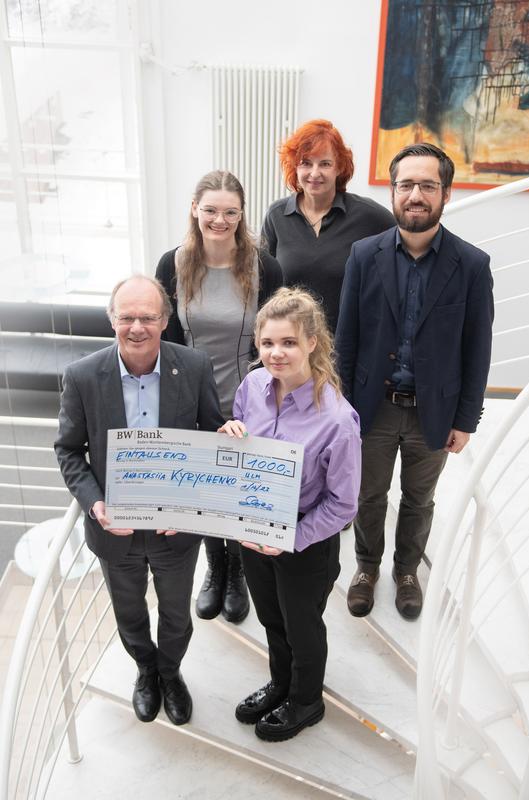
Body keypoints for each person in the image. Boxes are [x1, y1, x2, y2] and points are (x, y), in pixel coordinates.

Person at [335, 142, 494, 621]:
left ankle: (407, 571)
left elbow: (477, 350)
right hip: (371, 405)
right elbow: (346, 338)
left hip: (435, 409)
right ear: (393, 192)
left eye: (427, 185)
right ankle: (366, 567)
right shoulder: (364, 255)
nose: (416, 194)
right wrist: (339, 409)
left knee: (419, 498)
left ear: (444, 193)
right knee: (368, 494)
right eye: (407, 184)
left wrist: (466, 419)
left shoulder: (471, 266)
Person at [55, 275, 223, 726]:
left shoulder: (194, 366)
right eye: (126, 316)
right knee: (129, 612)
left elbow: (212, 436)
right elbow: (68, 450)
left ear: (165, 321)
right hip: (116, 530)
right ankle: (145, 670)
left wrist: (192, 503)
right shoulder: (83, 376)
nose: (136, 327)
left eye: (147, 317)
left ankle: (170, 672)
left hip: (176, 529)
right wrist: (94, 504)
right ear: (112, 319)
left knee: (175, 613)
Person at [220, 287, 361, 741]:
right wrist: (229, 432)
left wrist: (291, 538)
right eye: (267, 343)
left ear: (312, 343)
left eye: (288, 343)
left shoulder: (337, 420)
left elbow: (343, 503)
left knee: (303, 629)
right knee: (271, 619)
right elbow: (240, 446)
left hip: (305, 545)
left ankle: (306, 700)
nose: (276, 354)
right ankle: (281, 683)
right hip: (253, 532)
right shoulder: (252, 386)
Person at [156, 170, 282, 625]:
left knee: (239, 490)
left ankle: (239, 574)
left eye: (230, 212)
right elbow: (166, 338)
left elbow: (277, 339)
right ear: (195, 210)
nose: (220, 220)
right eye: (210, 210)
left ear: (242, 214)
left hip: (246, 397)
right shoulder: (172, 264)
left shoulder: (265, 267)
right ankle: (216, 570)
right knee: (206, 491)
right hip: (191, 400)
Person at [262, 119, 395, 332]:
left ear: (339, 167)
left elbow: (402, 255)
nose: (315, 173)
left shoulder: (369, 216)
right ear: (295, 166)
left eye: (325, 163)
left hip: (345, 344)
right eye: (306, 163)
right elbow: (265, 283)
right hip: (290, 343)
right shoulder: (276, 216)